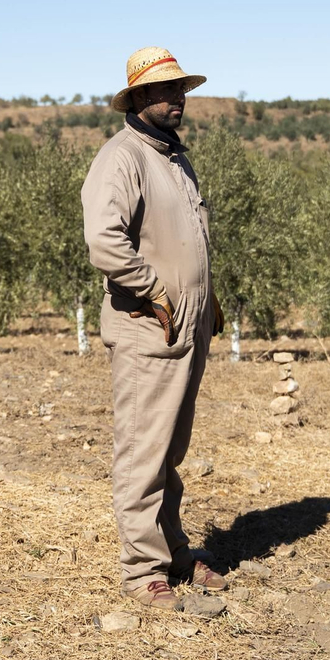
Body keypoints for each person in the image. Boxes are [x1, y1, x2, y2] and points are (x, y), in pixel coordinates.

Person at [81, 46, 227, 609]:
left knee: (169, 448)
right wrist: (156, 290)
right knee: (144, 449)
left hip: (188, 323)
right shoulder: (122, 158)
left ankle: (173, 550)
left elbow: (188, 240)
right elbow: (104, 241)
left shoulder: (173, 156)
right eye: (165, 90)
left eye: (180, 89)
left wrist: (208, 299)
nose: (177, 99)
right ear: (138, 97)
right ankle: (144, 571)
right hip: (148, 324)